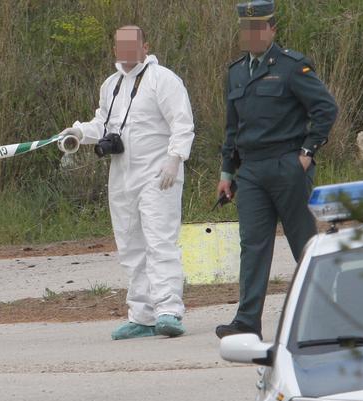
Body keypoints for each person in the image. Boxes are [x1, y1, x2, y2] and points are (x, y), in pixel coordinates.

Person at [60, 26, 195, 341]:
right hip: (122, 176)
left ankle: (168, 310)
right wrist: (79, 133)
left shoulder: (164, 80)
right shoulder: (111, 84)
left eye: (131, 45)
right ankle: (142, 315)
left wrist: (175, 158)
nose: (125, 52)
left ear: (145, 46)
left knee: (160, 242)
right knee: (130, 245)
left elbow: (182, 122)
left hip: (159, 174)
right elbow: (104, 123)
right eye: (119, 46)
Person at [214, 0, 338, 339]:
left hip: (287, 165)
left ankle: (331, 312)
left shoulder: (291, 67)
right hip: (251, 171)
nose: (252, 35)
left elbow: (326, 109)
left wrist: (307, 153)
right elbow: (232, 129)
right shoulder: (236, 72)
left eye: (259, 28)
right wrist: (227, 172)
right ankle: (247, 320)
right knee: (253, 245)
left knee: (303, 243)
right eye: (246, 29)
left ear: (272, 30)